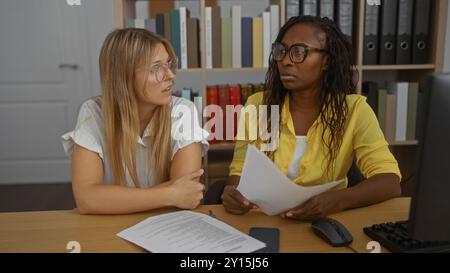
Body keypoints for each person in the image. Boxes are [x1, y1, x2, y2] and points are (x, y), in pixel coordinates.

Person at [222, 16, 401, 220]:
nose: (286, 60)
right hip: (265, 220)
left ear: (326, 61)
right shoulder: (258, 105)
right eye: (281, 51)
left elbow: (389, 181)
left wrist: (337, 200)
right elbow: (239, 170)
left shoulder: (355, 111)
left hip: (325, 221)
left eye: (299, 52)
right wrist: (234, 193)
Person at [62, 29, 209, 214]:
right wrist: (170, 194)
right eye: (156, 68)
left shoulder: (183, 111)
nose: (170, 75)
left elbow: (187, 194)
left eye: (169, 64)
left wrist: (114, 200)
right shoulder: (93, 113)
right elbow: (86, 199)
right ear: (124, 76)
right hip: (111, 228)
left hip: (165, 226)